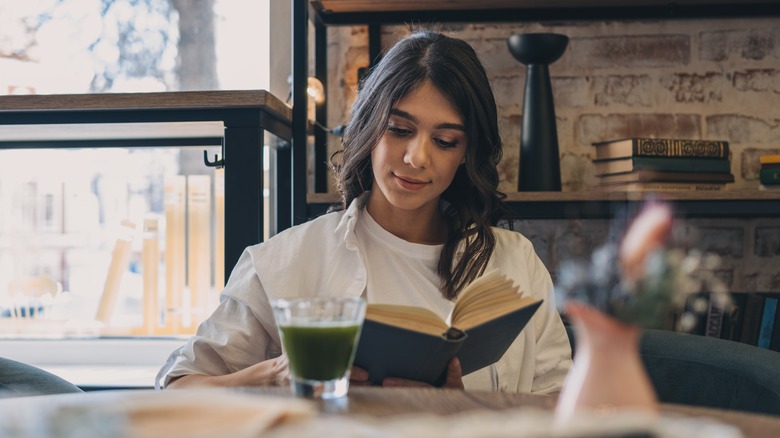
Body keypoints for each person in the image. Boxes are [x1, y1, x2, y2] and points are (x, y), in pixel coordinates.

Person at [156, 30, 572, 393]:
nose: (416, 157)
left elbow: (564, 408)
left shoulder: (516, 264)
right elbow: (178, 389)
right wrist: (274, 378)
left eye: (445, 140)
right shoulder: (284, 261)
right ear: (370, 126)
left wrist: (462, 408)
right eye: (399, 130)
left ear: (466, 154)